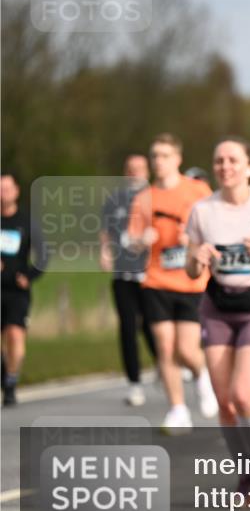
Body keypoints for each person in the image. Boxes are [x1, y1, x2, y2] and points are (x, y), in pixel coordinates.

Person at [186, 138, 250, 497]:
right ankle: (245, 474)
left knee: (244, 395)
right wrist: (196, 258)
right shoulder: (202, 210)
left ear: (249, 167)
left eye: (232, 160)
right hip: (217, 308)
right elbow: (189, 271)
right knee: (225, 403)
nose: (225, 166)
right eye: (218, 160)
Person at [126, 133, 218, 433]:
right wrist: (142, 240)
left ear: (177, 159)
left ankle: (201, 375)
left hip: (192, 281)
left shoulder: (198, 190)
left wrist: (192, 238)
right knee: (165, 349)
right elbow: (130, 241)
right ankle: (178, 409)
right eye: (155, 156)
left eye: (165, 155)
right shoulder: (144, 198)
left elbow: (215, 226)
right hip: (156, 280)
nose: (159, 161)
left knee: (186, 350)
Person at [101, 154, 158, 406]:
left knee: (153, 325)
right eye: (131, 169)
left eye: (140, 169)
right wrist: (104, 251)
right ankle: (135, 384)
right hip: (123, 273)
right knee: (127, 326)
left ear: (147, 171)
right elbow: (106, 230)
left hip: (151, 274)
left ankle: (165, 364)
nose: (135, 173)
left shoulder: (157, 196)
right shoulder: (114, 200)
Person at [1, 172, 48, 406]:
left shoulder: (27, 222)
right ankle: (4, 372)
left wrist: (29, 276)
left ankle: (10, 383)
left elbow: (44, 255)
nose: (3, 194)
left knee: (15, 335)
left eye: (7, 189)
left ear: (16, 191)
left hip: (17, 291)